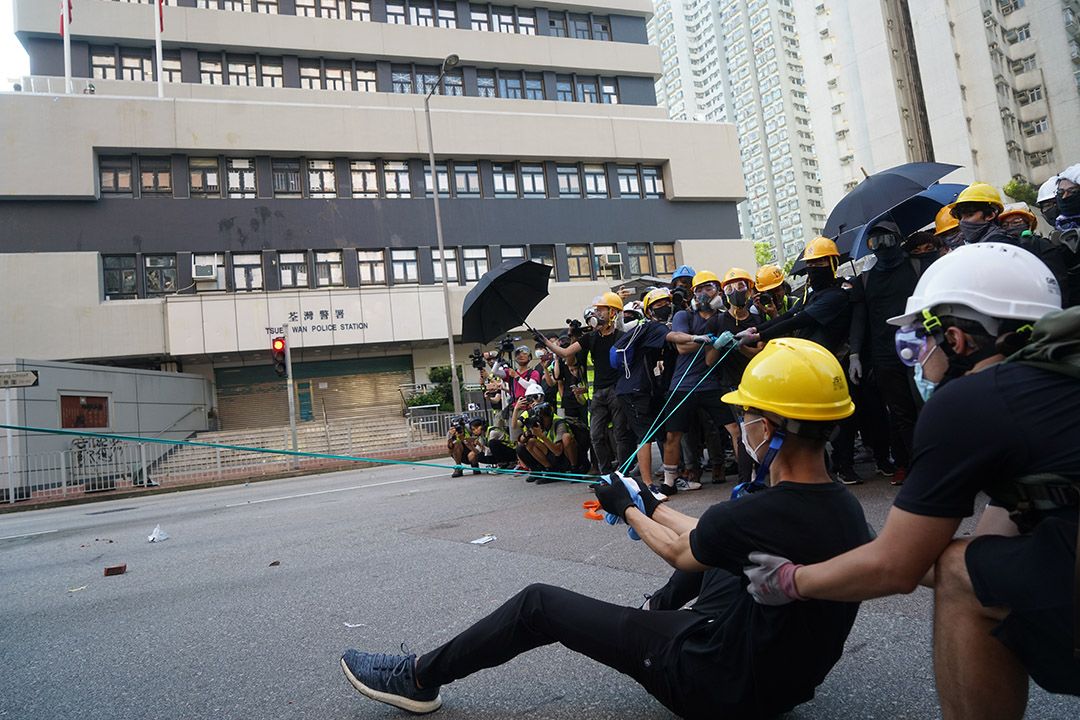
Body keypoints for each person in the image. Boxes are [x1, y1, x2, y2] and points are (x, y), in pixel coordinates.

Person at [340, 338, 873, 720]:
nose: (743, 425)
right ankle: (654, 616)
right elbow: (715, 533)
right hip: (783, 682)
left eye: (749, 416)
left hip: (714, 683)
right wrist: (644, 500)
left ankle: (417, 677)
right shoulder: (841, 509)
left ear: (772, 428)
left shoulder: (762, 510)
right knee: (723, 550)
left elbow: (686, 554)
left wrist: (633, 508)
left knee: (539, 605)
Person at [742, 243, 1075, 720]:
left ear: (958, 340)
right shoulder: (1051, 388)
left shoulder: (972, 400)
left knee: (962, 572)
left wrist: (794, 580)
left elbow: (897, 567)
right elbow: (989, 537)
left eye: (919, 340)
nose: (916, 360)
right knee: (972, 562)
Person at [846, 221, 927, 486]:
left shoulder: (919, 266)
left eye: (886, 241)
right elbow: (859, 319)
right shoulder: (865, 279)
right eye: (874, 243)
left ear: (899, 240)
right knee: (900, 413)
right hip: (885, 356)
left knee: (925, 406)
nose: (881, 247)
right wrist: (855, 354)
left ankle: (933, 460)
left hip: (921, 350)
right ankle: (910, 464)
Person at [544, 293, 632, 475]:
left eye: (601, 310)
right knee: (596, 435)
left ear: (613, 313)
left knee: (620, 434)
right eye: (596, 310)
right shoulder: (590, 337)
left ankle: (623, 473)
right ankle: (606, 473)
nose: (597, 313)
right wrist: (544, 342)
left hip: (617, 390)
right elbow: (566, 352)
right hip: (598, 393)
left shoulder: (622, 336)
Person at [740, 236, 852, 358]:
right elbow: (788, 316)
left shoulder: (836, 296)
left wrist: (758, 335)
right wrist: (754, 329)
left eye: (820, 262)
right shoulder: (810, 295)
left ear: (832, 264)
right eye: (810, 263)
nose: (813, 268)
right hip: (805, 356)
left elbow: (798, 321)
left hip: (828, 360)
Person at [513, 402, 589, 484]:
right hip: (552, 456)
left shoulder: (559, 423)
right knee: (530, 442)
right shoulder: (538, 424)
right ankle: (550, 470)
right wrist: (527, 434)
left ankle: (575, 469)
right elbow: (521, 440)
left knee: (566, 437)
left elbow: (558, 451)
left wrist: (542, 437)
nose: (542, 419)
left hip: (566, 456)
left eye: (544, 416)